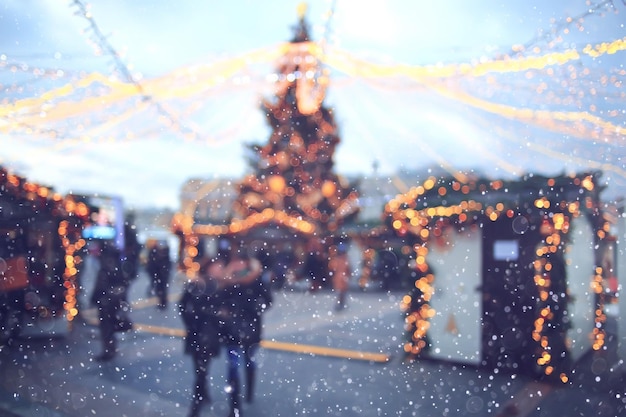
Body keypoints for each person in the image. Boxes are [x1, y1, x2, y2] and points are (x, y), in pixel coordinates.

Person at [220, 249, 268, 417]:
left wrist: (254, 308)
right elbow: (219, 299)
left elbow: (267, 300)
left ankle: (249, 393)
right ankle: (235, 406)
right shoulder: (227, 280)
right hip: (231, 331)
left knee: (249, 362)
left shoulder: (256, 280)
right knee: (233, 367)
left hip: (251, 330)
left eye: (240, 262)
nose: (237, 266)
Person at [179, 257, 227, 417]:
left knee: (202, 368)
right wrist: (191, 321)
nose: (220, 268)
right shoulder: (198, 283)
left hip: (209, 334)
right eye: (217, 266)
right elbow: (183, 305)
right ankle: (199, 399)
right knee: (200, 368)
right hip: (199, 333)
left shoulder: (221, 285)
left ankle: (200, 398)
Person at [90, 241, 133, 362]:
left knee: (106, 327)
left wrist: (96, 298)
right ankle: (110, 349)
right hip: (113, 302)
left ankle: (109, 350)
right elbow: (124, 284)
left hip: (107, 303)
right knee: (109, 326)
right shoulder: (118, 266)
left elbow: (101, 285)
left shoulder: (107, 266)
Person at [147, 240, 171, 309]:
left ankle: (163, 302)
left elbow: (151, 263)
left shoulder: (157, 252)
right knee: (161, 288)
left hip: (161, 273)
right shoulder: (160, 252)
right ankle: (162, 302)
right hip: (160, 273)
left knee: (161, 288)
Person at [328, 241, 350, 311]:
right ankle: (340, 303)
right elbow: (348, 268)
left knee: (340, 292)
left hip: (339, 277)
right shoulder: (345, 259)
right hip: (343, 277)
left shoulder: (337, 259)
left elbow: (332, 268)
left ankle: (340, 304)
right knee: (341, 292)